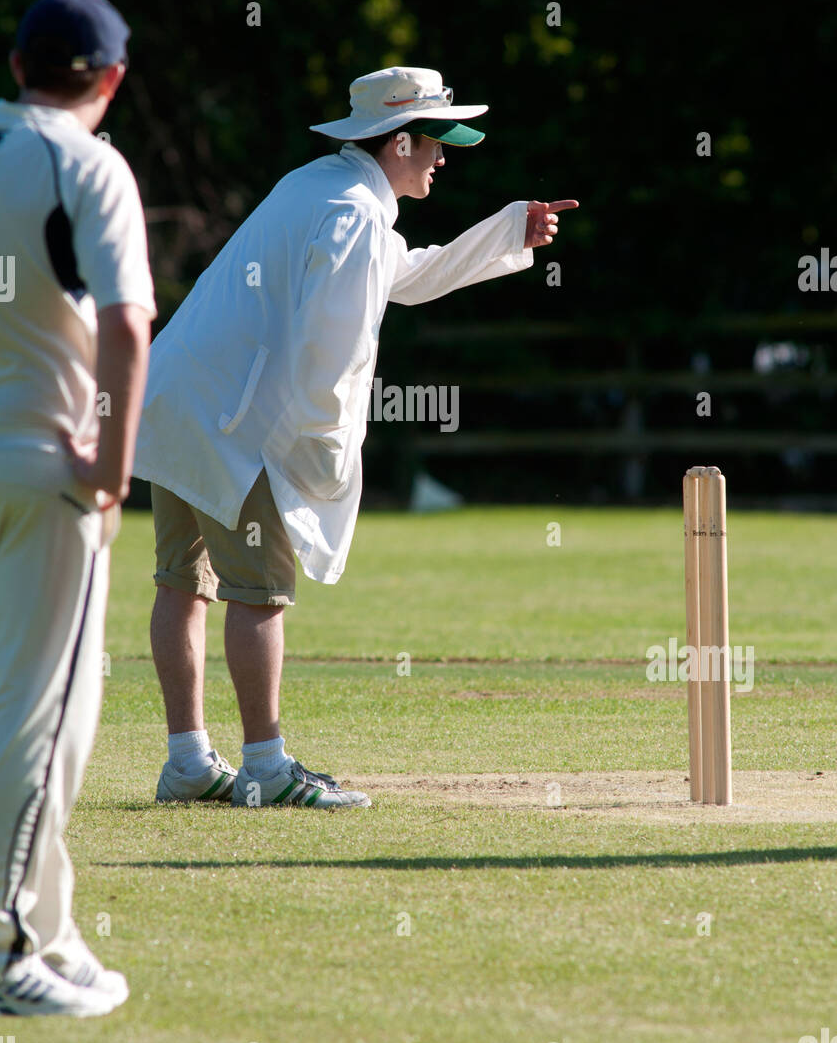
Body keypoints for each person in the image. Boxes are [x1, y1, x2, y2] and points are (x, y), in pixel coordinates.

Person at [133, 66, 577, 811]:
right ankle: (266, 766)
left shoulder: (319, 187)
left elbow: (396, 276)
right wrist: (321, 453)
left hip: (180, 398)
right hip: (235, 424)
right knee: (260, 592)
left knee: (184, 581)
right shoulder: (352, 214)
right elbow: (327, 345)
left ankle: (187, 761)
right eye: (436, 141)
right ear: (399, 141)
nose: (445, 155)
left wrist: (506, 231)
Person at [0, 0, 155, 1016]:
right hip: (43, 476)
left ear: (16, 65)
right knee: (43, 724)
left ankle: (47, 924)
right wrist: (111, 467)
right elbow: (126, 327)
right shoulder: (86, 162)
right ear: (110, 79)